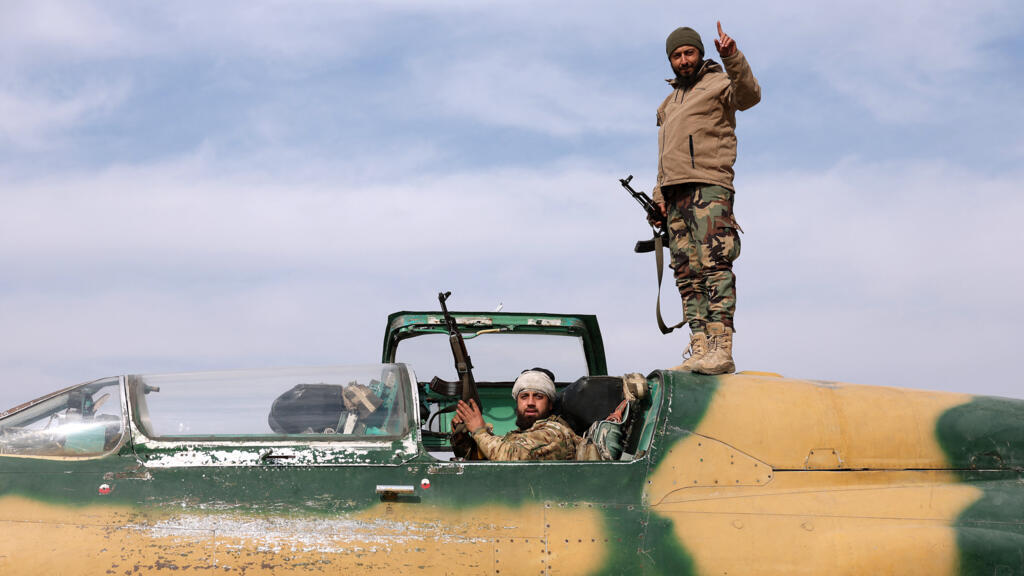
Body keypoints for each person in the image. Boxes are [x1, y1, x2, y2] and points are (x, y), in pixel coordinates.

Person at [652, 22, 761, 375]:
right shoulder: (669, 103)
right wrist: (659, 196)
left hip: (708, 186)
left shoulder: (719, 83)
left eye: (689, 53)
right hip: (675, 192)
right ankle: (699, 346)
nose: (684, 60)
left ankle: (720, 346)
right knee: (686, 272)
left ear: (700, 53)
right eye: (677, 55)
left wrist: (732, 56)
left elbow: (749, 95)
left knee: (714, 265)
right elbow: (665, 155)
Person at [451, 368, 578, 461]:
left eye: (538, 397)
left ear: (550, 404)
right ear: (517, 402)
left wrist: (479, 430)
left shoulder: (553, 433)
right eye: (524, 396)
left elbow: (511, 458)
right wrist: (462, 438)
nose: (530, 402)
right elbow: (487, 460)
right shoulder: (521, 436)